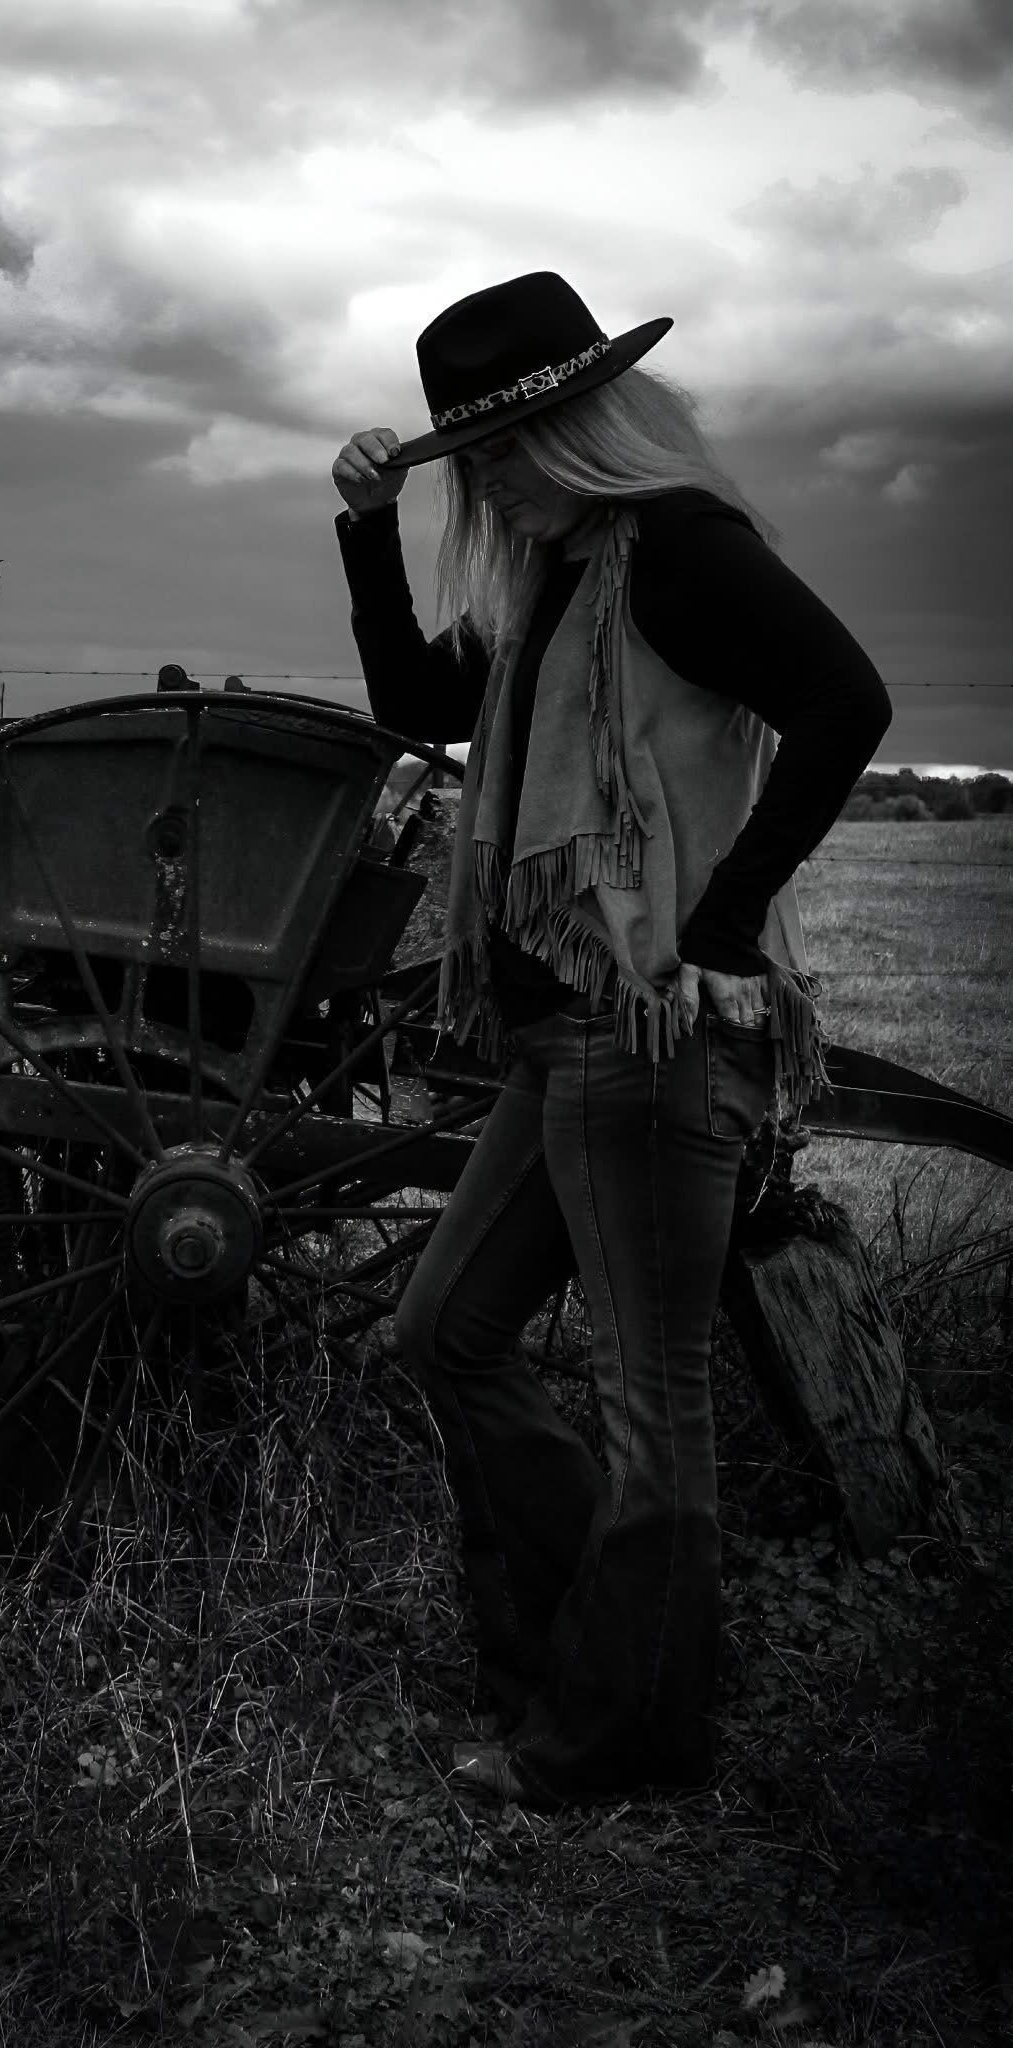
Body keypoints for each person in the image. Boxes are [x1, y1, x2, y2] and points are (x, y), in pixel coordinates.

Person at [331, 270, 891, 1813]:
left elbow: (847, 700)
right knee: (441, 1332)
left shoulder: (678, 553)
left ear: (577, 429)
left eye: (505, 448)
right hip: (566, 1045)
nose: (490, 481)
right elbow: (408, 700)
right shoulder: (557, 583)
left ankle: (620, 1738)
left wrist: (719, 928)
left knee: (656, 1407)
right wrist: (365, 526)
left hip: (645, 1035)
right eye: (471, 460)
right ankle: (608, 1653)